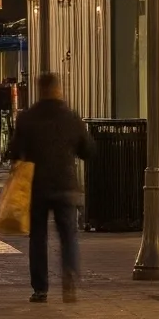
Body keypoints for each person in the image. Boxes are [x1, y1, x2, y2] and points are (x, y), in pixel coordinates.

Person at [9, 71, 95, 303]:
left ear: (40, 90)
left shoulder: (27, 118)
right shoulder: (71, 117)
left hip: (36, 186)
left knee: (38, 237)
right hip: (65, 185)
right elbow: (87, 151)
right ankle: (69, 275)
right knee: (68, 235)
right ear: (58, 89)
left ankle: (40, 288)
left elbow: (15, 152)